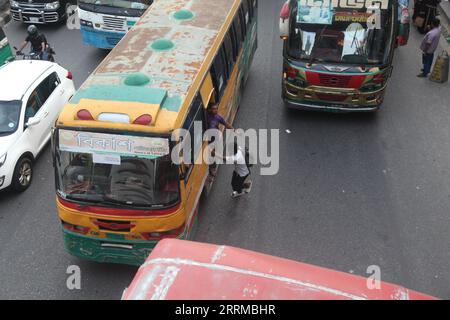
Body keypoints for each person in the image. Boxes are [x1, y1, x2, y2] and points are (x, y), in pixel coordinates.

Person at [206, 103, 233, 176]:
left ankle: (212, 167)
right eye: (214, 109)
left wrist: (234, 130)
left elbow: (226, 124)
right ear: (210, 110)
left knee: (212, 154)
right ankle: (212, 169)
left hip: (215, 139)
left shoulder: (218, 117)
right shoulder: (207, 116)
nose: (215, 110)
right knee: (211, 154)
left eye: (216, 108)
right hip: (208, 139)